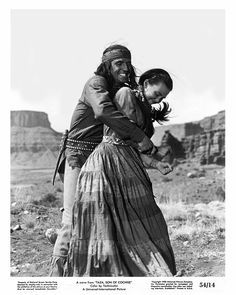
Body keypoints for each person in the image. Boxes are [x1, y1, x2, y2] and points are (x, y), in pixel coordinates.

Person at [49, 45, 156, 276]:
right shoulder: (95, 84)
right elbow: (103, 112)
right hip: (78, 157)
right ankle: (55, 279)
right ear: (107, 65)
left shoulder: (122, 91)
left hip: (102, 161)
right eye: (119, 63)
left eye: (128, 63)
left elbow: (138, 126)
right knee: (71, 220)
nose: (126, 68)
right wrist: (140, 137)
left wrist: (143, 105)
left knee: (102, 220)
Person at [64, 68, 177, 277]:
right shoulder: (126, 95)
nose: (158, 99)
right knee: (107, 225)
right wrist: (155, 153)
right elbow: (125, 137)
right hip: (108, 164)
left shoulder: (141, 104)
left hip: (126, 163)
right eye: (157, 93)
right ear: (144, 84)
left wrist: (156, 164)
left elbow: (132, 145)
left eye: (163, 97)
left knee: (144, 221)